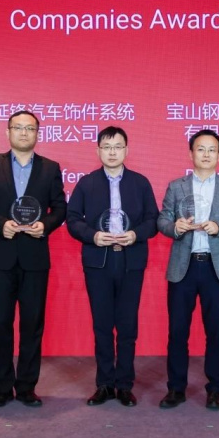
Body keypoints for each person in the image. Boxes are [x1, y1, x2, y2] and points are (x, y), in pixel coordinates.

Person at [0, 110, 67, 408]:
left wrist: (45, 225)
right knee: (0, 322)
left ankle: (26, 387)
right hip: (0, 254)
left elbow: (60, 208)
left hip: (35, 256)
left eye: (30, 128)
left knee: (32, 323)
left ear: (37, 133)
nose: (24, 133)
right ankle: (1, 387)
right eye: (18, 128)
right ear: (8, 132)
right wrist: (0, 224)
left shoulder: (50, 168)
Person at [66, 126, 158, 407]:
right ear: (98, 151)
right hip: (98, 261)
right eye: (107, 147)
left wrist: (136, 234)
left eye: (118, 146)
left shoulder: (140, 183)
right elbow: (72, 219)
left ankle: (125, 385)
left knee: (127, 326)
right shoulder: (87, 183)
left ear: (126, 150)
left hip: (131, 261)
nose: (112, 152)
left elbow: (153, 220)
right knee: (102, 325)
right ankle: (105, 384)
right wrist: (93, 235)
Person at [156, 129, 219, 411]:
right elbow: (162, 221)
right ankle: (176, 388)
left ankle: (215, 389)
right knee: (177, 331)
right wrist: (175, 227)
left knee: (215, 332)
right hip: (182, 268)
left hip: (214, 268)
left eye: (211, 150)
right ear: (191, 153)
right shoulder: (177, 186)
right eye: (200, 149)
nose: (206, 154)